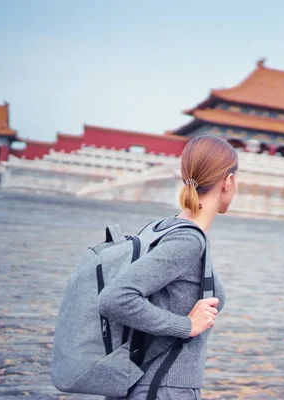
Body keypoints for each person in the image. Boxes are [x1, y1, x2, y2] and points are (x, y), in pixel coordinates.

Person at [99, 136, 238, 400]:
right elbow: (115, 299)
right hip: (162, 388)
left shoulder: (162, 227)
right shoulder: (187, 241)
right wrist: (186, 326)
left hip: (140, 383)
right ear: (228, 181)